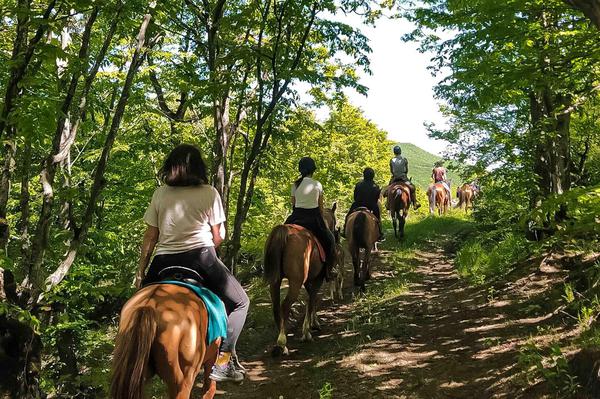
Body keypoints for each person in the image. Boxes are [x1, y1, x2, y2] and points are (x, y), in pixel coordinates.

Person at [136, 144, 249, 383]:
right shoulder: (209, 192)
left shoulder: (160, 193)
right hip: (201, 258)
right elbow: (218, 237)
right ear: (198, 167)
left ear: (171, 167)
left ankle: (137, 356)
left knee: (136, 307)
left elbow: (150, 236)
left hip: (162, 260)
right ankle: (223, 361)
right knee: (241, 302)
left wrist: (141, 271)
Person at [284, 157, 336, 280]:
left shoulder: (295, 185)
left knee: (281, 233)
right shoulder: (317, 184)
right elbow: (321, 207)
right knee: (330, 240)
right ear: (312, 170)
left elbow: (293, 203)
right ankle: (329, 270)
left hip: (296, 217)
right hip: (313, 218)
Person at [342, 167, 384, 241]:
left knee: (348, 215)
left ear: (364, 175)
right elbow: (376, 199)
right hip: (371, 205)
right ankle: (380, 233)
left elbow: (355, 197)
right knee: (377, 218)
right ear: (373, 176)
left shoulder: (358, 184)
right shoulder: (376, 186)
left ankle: (344, 229)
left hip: (358, 204)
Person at [388, 145, 420, 209]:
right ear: (400, 152)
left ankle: (388, 204)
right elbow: (406, 170)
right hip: (403, 178)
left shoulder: (391, 160)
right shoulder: (404, 159)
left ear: (394, 152)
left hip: (394, 178)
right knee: (413, 188)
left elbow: (391, 170)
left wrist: (395, 174)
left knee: (388, 189)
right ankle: (415, 203)